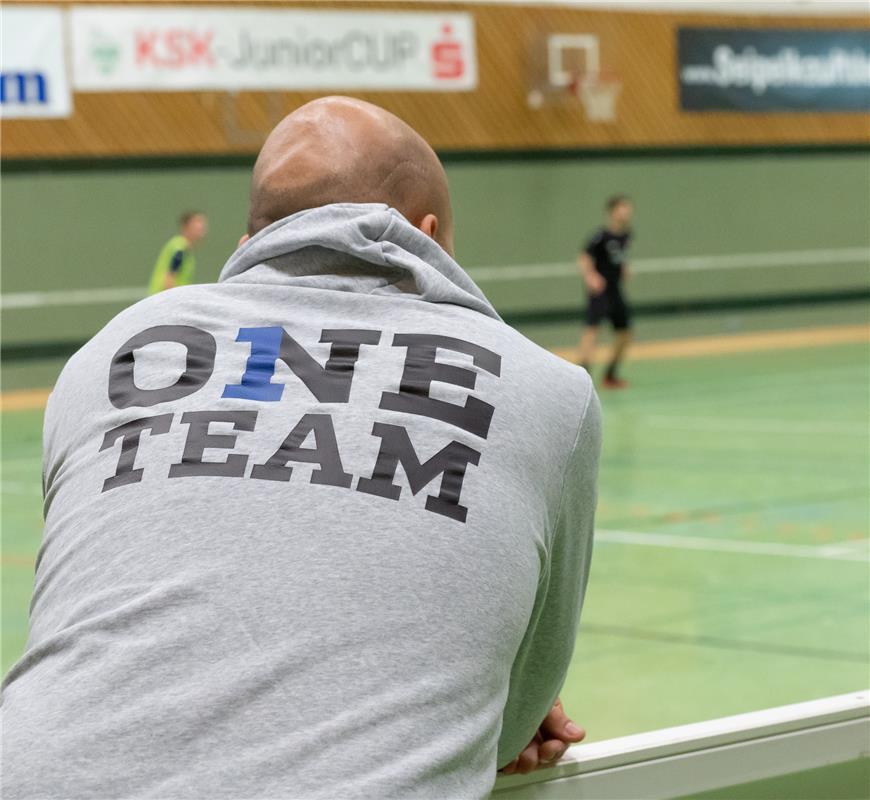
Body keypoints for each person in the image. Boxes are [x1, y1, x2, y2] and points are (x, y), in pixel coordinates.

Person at [2, 97, 601, 799]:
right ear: (427, 233)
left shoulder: (109, 354)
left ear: (255, 233)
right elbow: (512, 720)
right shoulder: (546, 389)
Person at [576, 195, 634, 388]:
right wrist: (591, 276)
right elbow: (584, 258)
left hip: (615, 290)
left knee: (625, 333)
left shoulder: (626, 235)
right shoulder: (600, 235)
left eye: (628, 208)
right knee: (592, 329)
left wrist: (624, 268)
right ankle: (582, 376)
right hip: (600, 291)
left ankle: (610, 374)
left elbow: (618, 256)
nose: (626, 211)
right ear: (612, 211)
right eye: (622, 208)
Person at [147, 210, 208, 294]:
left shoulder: (184, 248)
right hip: (163, 300)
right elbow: (169, 280)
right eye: (197, 222)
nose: (202, 226)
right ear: (186, 226)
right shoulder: (180, 249)